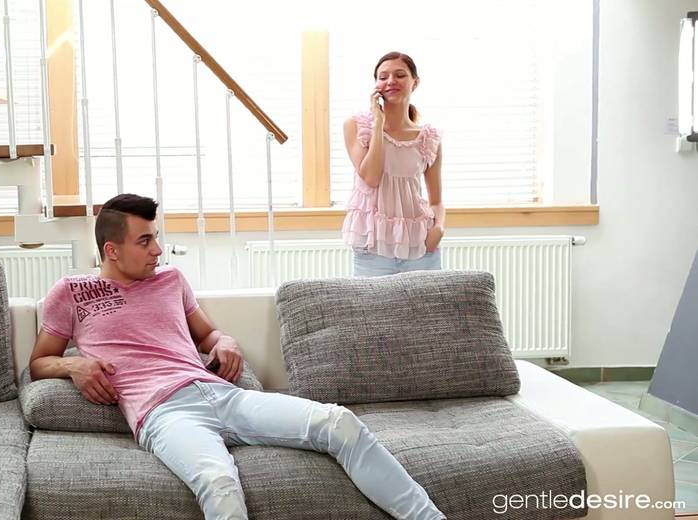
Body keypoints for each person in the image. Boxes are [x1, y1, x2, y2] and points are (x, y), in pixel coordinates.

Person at [29, 193, 446, 520]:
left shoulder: (171, 280)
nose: (158, 249)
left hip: (222, 394)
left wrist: (225, 342)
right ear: (112, 250)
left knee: (339, 423)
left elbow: (207, 334)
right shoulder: (73, 292)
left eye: (156, 237)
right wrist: (73, 364)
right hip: (164, 413)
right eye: (145, 241)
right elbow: (39, 362)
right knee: (219, 482)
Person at [342, 52, 446, 277]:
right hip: (373, 246)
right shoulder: (357, 126)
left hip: (421, 245)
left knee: (429, 303)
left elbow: (436, 201)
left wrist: (438, 228)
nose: (391, 81)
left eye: (400, 75)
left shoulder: (428, 137)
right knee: (372, 302)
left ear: (415, 82)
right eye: (383, 77)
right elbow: (371, 177)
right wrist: (378, 123)